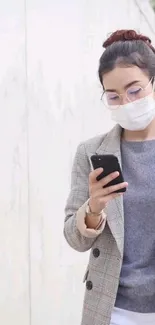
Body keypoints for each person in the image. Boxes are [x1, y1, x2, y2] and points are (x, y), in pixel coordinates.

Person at [63, 29, 155, 325]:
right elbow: (74, 239)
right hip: (113, 310)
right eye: (113, 96)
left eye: (135, 90)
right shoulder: (91, 152)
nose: (126, 102)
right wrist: (93, 209)